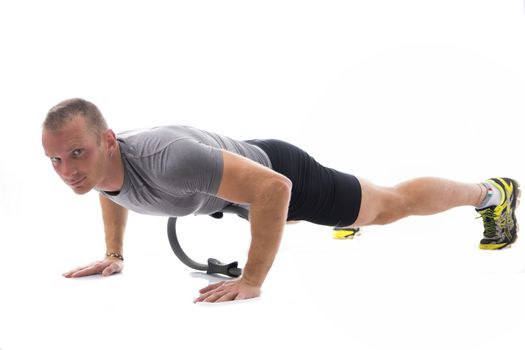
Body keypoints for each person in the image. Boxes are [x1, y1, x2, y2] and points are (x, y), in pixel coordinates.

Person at [41, 98, 521, 303]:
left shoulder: (170, 159)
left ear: (107, 140)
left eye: (75, 154)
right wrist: (114, 253)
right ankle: (338, 202)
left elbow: (273, 190)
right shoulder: (102, 167)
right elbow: (112, 189)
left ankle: (490, 194)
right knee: (283, 215)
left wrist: (252, 280)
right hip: (237, 185)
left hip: (280, 173)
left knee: (384, 206)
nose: (67, 172)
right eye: (55, 160)